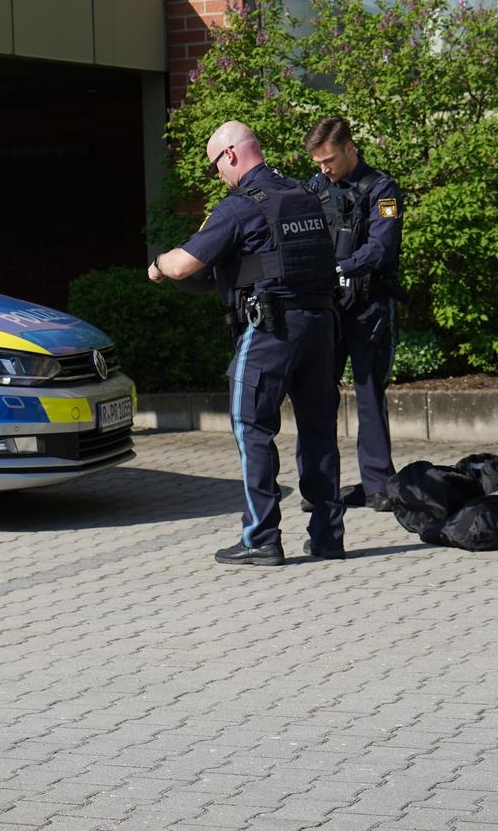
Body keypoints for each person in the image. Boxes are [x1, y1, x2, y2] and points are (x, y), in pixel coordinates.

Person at [149, 121, 344, 566]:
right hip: (320, 325)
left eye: (215, 164)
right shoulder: (304, 195)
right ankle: (329, 536)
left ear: (231, 155)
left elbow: (183, 265)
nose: (217, 173)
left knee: (251, 426)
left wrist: (158, 265)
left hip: (271, 328)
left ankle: (260, 538)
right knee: (318, 431)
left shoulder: (240, 207)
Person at [305, 116, 403, 510]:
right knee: (317, 397)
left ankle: (379, 486)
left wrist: (341, 267)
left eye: (329, 159)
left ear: (349, 148)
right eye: (318, 163)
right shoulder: (315, 187)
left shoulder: (382, 188)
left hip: (368, 307)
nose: (324, 168)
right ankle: (319, 487)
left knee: (368, 395)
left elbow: (382, 248)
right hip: (327, 307)